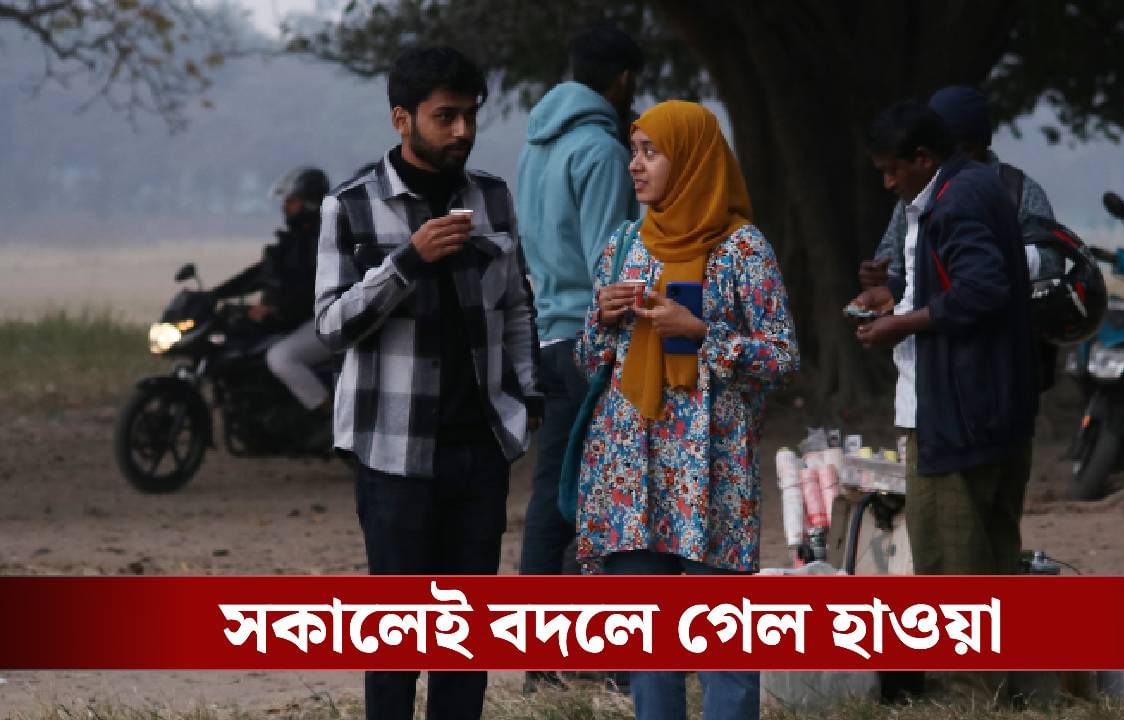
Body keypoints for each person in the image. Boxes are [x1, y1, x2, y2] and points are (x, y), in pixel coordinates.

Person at [313, 46, 541, 720]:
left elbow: (517, 307)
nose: (462, 132)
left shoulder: (492, 196)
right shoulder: (349, 208)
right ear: (401, 119)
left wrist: (525, 403)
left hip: (479, 449)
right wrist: (406, 262)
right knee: (396, 640)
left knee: (463, 642)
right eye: (446, 117)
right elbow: (329, 325)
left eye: (470, 116)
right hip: (392, 454)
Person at [575, 100, 799, 720]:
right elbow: (589, 359)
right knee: (649, 641)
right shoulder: (623, 244)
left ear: (694, 158)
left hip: (710, 467)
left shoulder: (742, 249)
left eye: (651, 152)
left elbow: (781, 355)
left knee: (723, 639)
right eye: (634, 151)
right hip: (630, 466)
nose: (635, 166)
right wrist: (603, 317)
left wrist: (704, 333)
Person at [850, 99, 1035, 579]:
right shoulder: (968, 187)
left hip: (956, 415)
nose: (888, 183)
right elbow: (945, 279)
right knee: (993, 555)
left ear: (924, 158)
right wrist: (890, 296)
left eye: (893, 171)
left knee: (949, 564)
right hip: (990, 407)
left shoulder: (957, 199)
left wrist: (902, 324)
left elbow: (982, 288)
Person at [514, 23, 643, 695]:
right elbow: (611, 262)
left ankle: (541, 661)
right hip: (596, 343)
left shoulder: (536, 146)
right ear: (622, 81)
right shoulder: (600, 149)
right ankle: (621, 665)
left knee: (551, 502)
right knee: (618, 501)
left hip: (551, 337)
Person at [859, 85, 1061, 391]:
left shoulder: (1017, 191)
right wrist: (884, 282)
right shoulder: (916, 195)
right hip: (930, 370)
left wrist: (981, 263)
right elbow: (900, 268)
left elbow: (1050, 261)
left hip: (996, 363)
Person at [212, 167, 333, 438]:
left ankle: (335, 419)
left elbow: (308, 289)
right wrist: (214, 294)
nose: (285, 207)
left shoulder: (323, 241)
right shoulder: (292, 241)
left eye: (292, 202)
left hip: (323, 320)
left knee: (281, 358)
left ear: (310, 203)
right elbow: (259, 273)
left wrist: (276, 310)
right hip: (294, 320)